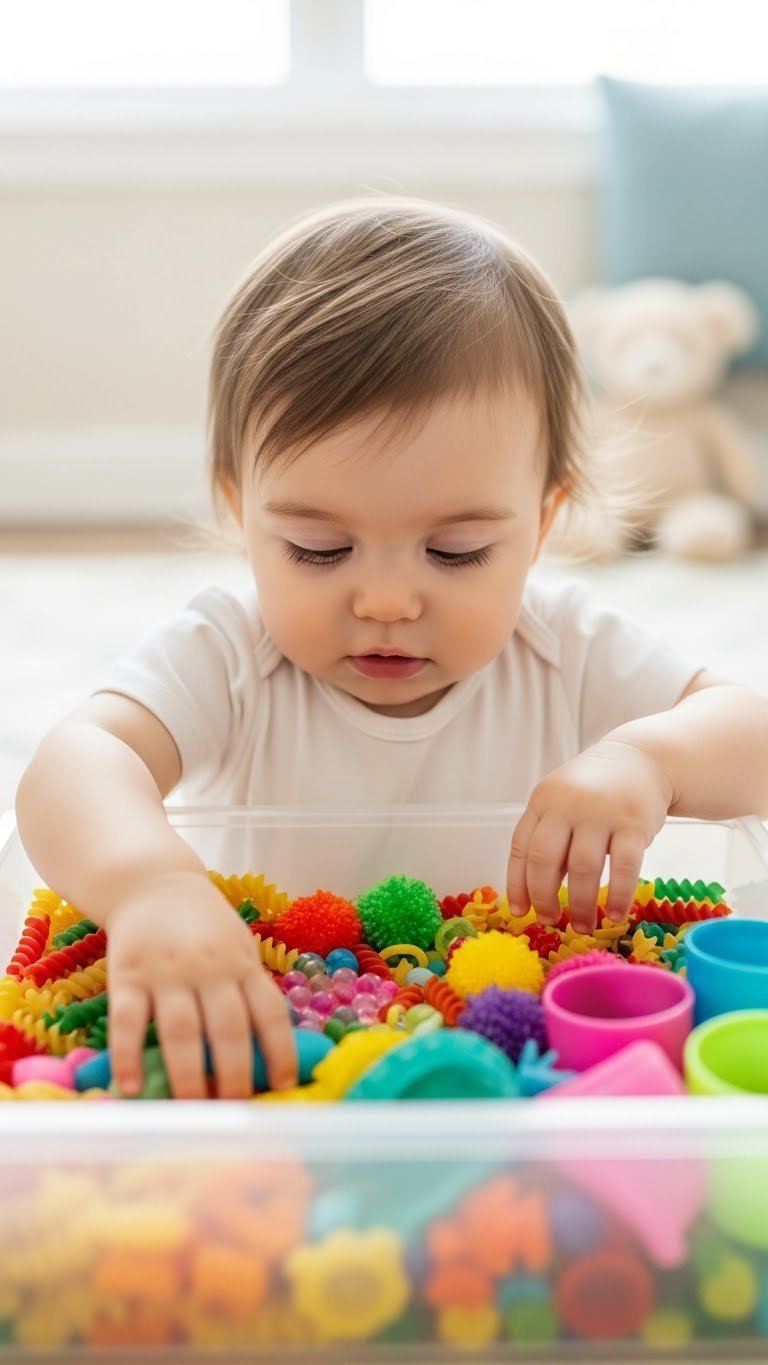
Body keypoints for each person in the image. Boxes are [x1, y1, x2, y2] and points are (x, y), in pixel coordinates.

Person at [15, 197, 768, 1103]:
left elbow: (750, 732)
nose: (385, 599)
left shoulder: (563, 645)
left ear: (543, 523)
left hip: (506, 1063)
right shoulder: (228, 649)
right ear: (238, 509)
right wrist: (148, 887)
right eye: (317, 550)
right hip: (280, 1054)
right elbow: (72, 761)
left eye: (455, 552)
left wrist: (646, 758)